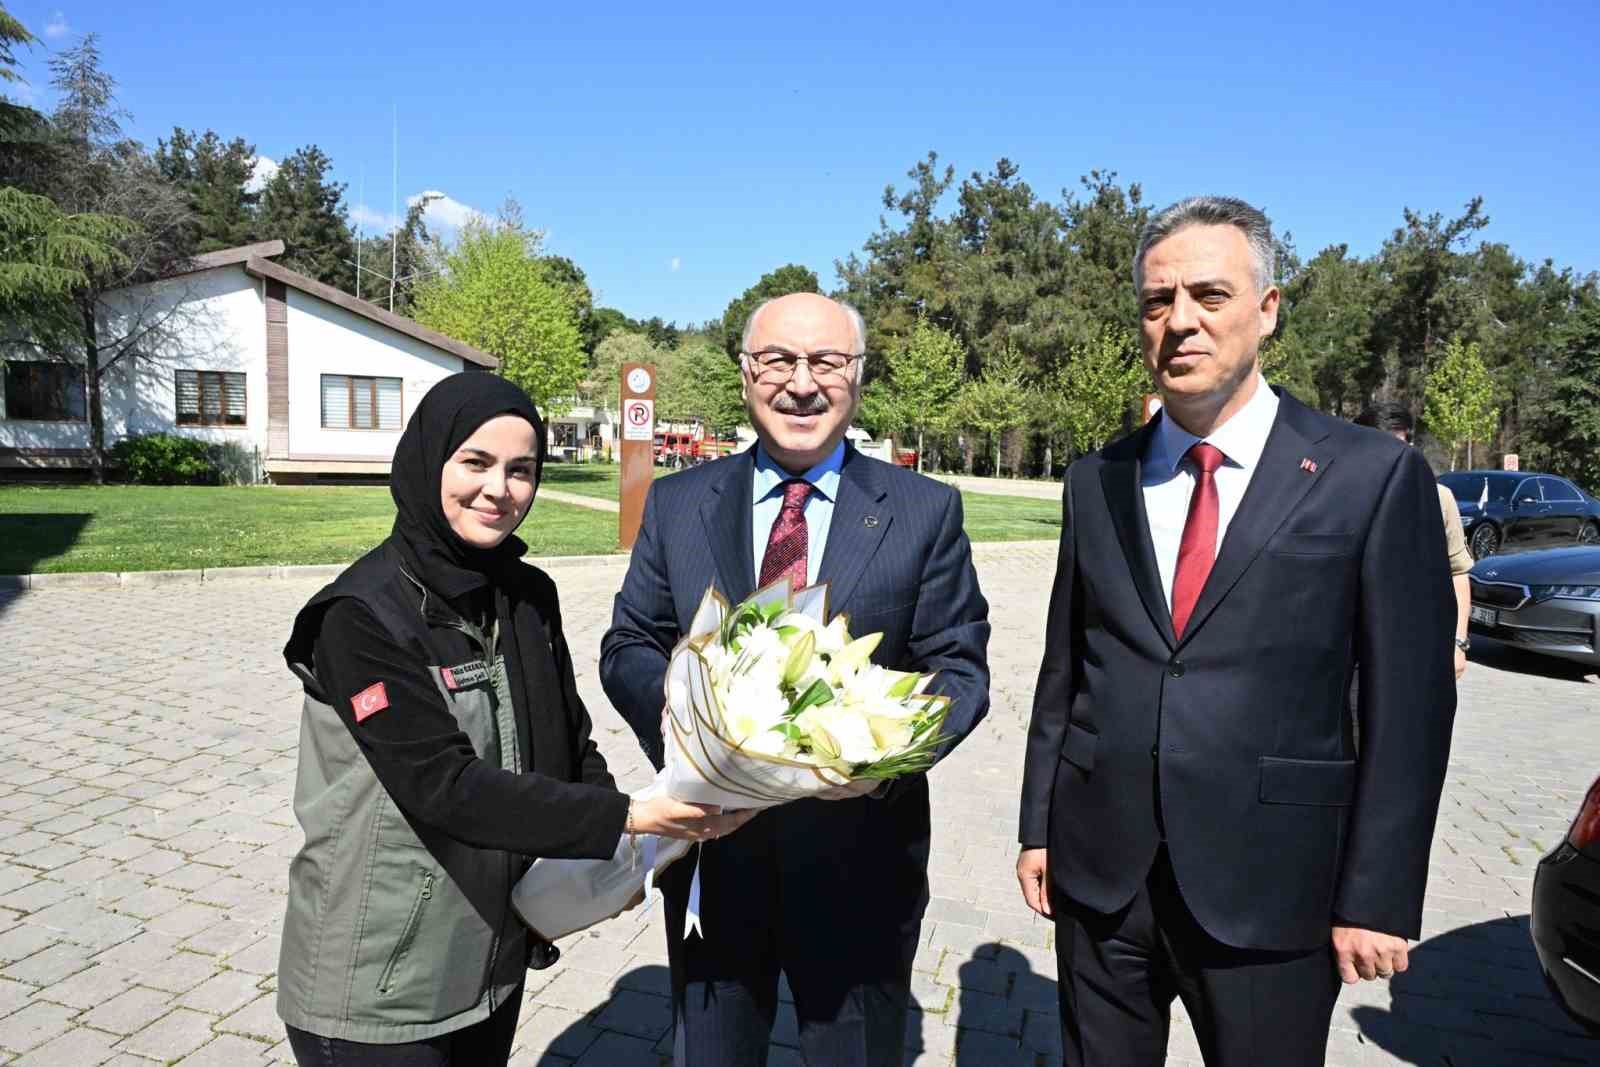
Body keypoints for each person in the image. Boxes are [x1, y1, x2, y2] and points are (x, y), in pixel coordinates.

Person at [1016, 197, 1458, 1066]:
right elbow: (1065, 666)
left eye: (1209, 294)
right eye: (1157, 300)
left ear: (1268, 308)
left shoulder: (1371, 476)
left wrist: (1377, 894)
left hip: (1273, 887)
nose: (1179, 320)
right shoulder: (1096, 479)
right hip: (1102, 876)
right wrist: (1039, 824)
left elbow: (1411, 707)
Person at [276, 373, 749, 1066]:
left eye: (521, 469)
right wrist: (628, 816)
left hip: (491, 962)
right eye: (476, 462)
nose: (499, 489)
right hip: (377, 986)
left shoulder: (527, 596)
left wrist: (621, 859)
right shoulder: (359, 616)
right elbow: (444, 787)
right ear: (429, 460)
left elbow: (571, 742)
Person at [601, 292, 991, 1066]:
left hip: (861, 863)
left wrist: (881, 759)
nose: (803, 382)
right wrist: (687, 719)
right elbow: (629, 642)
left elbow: (960, 667)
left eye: (827, 361)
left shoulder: (925, 510)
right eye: (779, 359)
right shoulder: (678, 503)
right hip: (713, 857)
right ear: (747, 373)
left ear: (858, 375)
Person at [1357, 402, 1474, 679]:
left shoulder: (1439, 498)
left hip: (1414, 647)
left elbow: (1457, 572)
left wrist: (1458, 643)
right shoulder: (1339, 497)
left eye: (1400, 448)